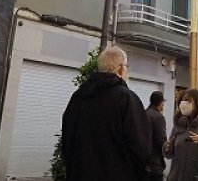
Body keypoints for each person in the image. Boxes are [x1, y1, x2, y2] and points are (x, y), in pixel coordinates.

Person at [61, 46, 152, 181]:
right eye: (126, 66)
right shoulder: (127, 99)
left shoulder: (78, 97)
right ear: (121, 69)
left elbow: (67, 139)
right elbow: (140, 147)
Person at [167, 89, 198, 181]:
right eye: (183, 100)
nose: (184, 103)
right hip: (175, 176)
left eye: (189, 100)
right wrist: (167, 147)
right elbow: (169, 153)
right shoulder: (179, 123)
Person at [148, 91, 169, 181]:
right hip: (155, 165)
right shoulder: (159, 117)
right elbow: (162, 141)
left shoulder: (143, 113)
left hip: (142, 164)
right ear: (160, 103)